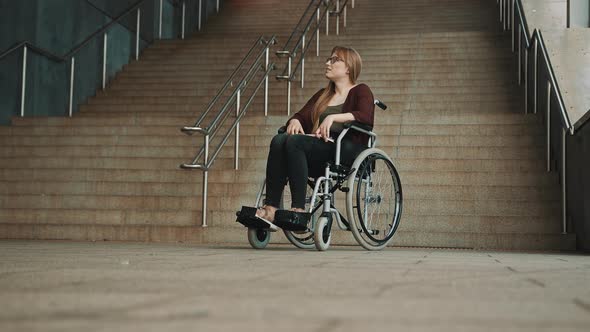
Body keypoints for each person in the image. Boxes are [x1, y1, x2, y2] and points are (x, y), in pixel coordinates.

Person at [256, 46, 375, 223]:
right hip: (316, 149)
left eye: (334, 60)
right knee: (279, 139)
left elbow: (365, 116)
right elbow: (302, 115)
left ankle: (298, 209)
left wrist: (334, 117)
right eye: (329, 59)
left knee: (294, 142)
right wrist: (295, 121)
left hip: (343, 151)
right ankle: (271, 208)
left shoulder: (361, 90)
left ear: (348, 67)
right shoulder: (323, 94)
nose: (328, 63)